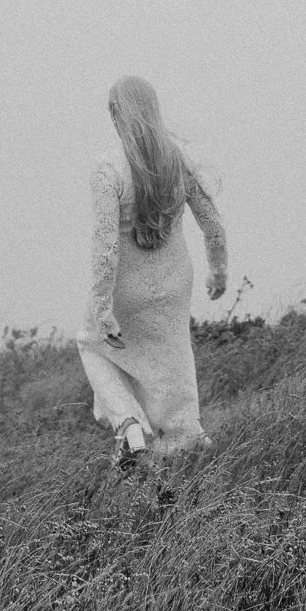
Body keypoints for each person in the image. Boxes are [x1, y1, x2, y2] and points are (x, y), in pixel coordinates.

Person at [75, 75, 227, 471]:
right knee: (173, 366)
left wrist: (102, 308)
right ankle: (184, 439)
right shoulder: (177, 158)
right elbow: (212, 223)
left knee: (91, 344)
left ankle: (129, 425)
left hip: (127, 290)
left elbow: (105, 249)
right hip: (174, 285)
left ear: (116, 114)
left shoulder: (107, 169)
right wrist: (219, 271)